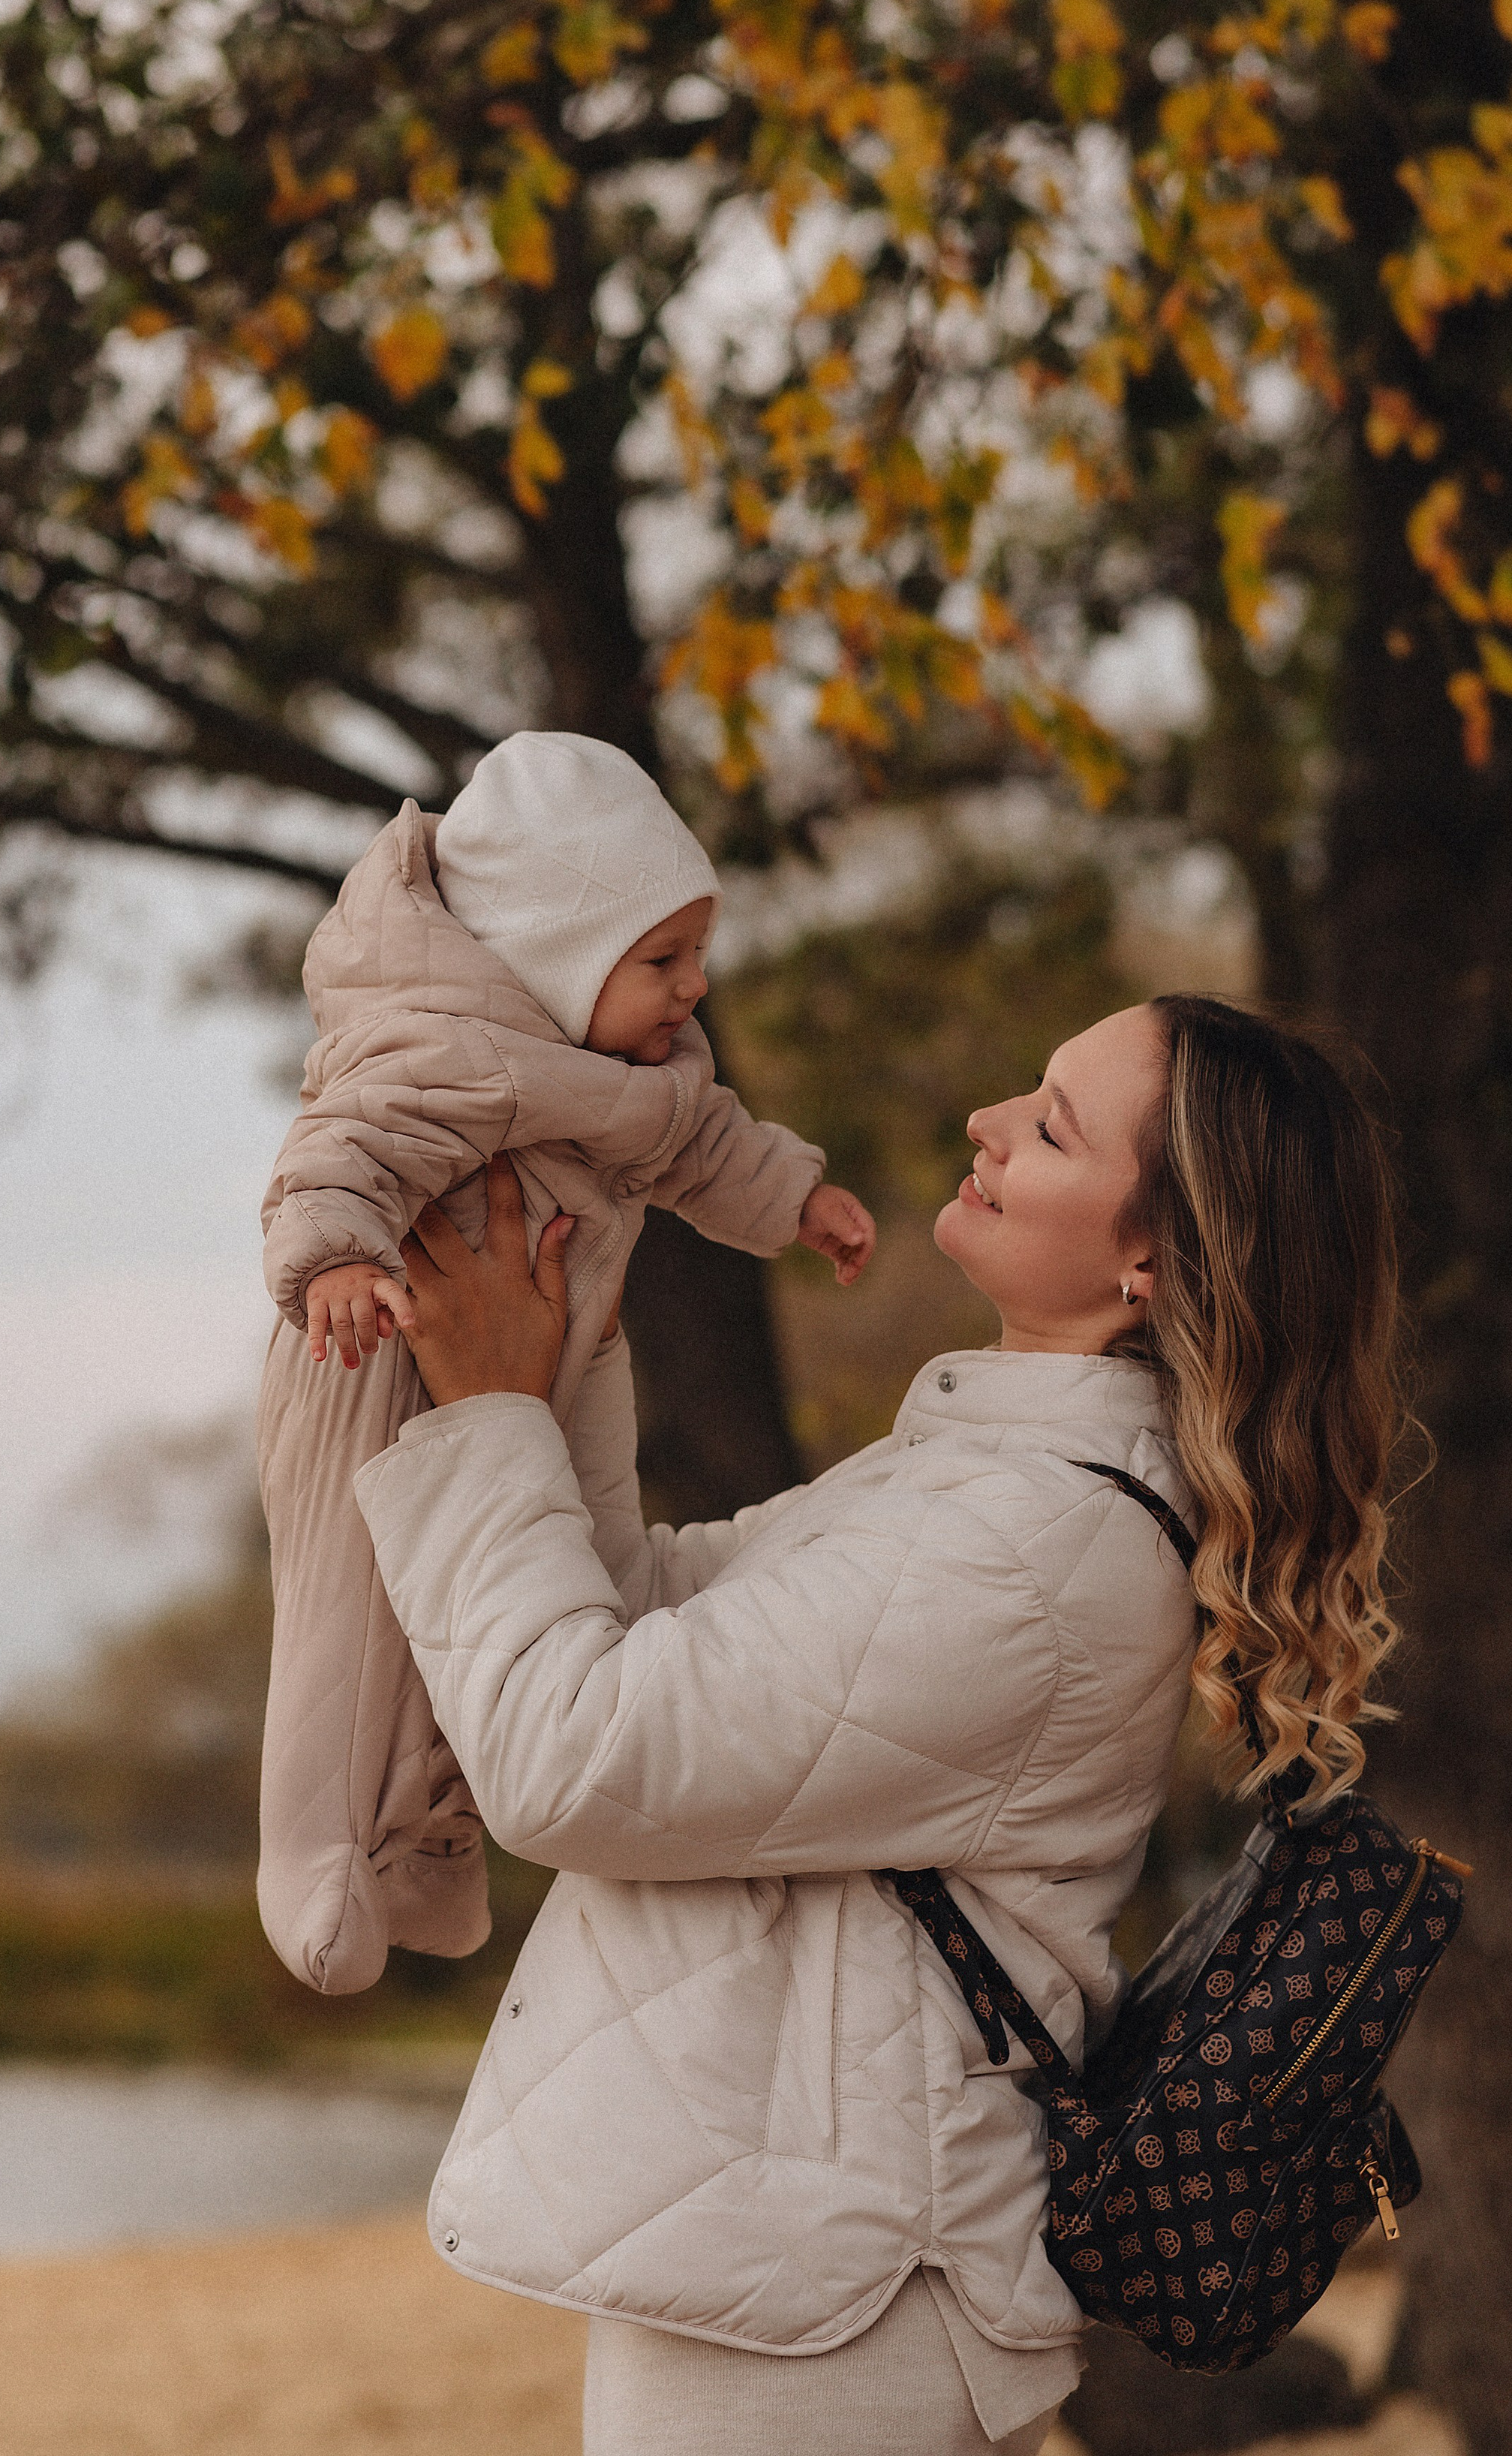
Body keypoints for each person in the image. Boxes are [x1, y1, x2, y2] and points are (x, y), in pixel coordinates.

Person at [355, 995, 1409, 2455]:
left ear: (1152, 1260)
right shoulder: (983, 1480)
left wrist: (490, 1411)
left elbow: (576, 1754)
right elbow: (644, 1611)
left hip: (832, 2299)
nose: (986, 1123)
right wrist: (553, 1354)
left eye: (1050, 1126)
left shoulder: (1029, 1545)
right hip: (803, 2263)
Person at [254, 733, 877, 1994]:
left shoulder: (634, 1074)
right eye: (662, 959)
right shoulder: (442, 1048)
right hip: (377, 1347)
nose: (695, 984)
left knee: (550, 1594)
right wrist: (335, 1265)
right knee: (359, 1616)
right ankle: (314, 1853)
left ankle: (435, 1852)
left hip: (560, 1354)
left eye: (698, 951)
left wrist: (793, 1200)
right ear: (554, 957)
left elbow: (704, 1142)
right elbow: (334, 1151)